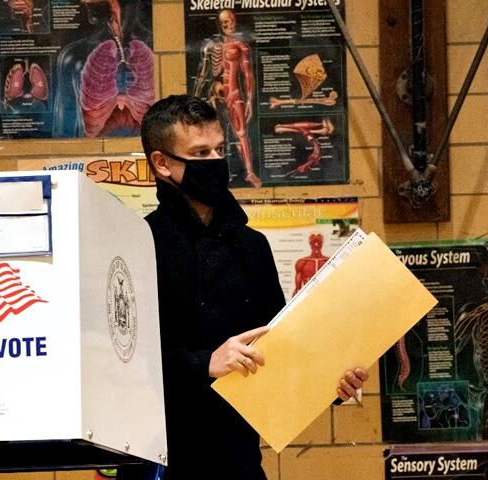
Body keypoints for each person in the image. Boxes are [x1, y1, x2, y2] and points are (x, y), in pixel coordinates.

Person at [122, 95, 368, 479]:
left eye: (220, 149)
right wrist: (205, 363)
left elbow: (279, 351)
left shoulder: (253, 247)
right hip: (161, 461)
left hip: (238, 460)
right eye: (200, 153)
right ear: (162, 164)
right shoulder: (136, 244)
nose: (215, 163)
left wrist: (330, 384)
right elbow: (122, 366)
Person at [193, 9, 261, 188]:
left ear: (235, 21)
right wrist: (193, 99)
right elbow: (202, 73)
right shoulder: (210, 46)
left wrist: (249, 102)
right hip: (215, 95)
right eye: (224, 22)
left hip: (234, 94)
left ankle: (249, 172)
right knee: (216, 137)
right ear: (219, 24)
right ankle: (218, 176)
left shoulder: (240, 46)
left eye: (231, 21)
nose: (228, 25)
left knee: (241, 134)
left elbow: (248, 75)